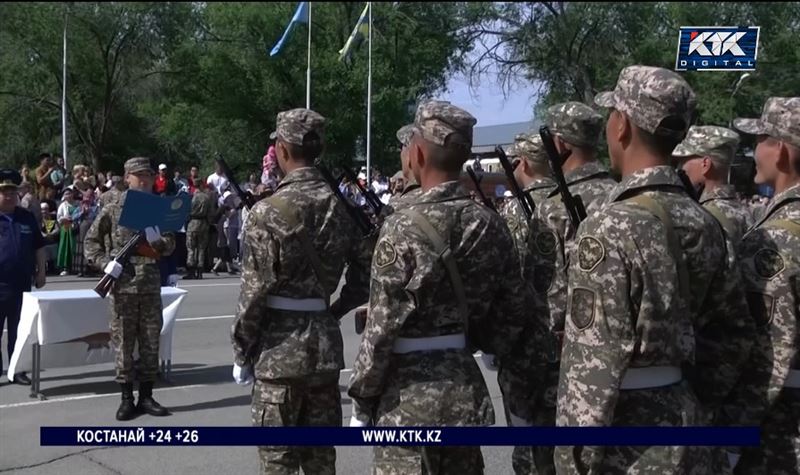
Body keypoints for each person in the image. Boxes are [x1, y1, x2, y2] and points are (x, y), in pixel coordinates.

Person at [555, 65, 753, 474]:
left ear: (622, 126)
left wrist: (573, 459)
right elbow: (734, 334)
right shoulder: (705, 222)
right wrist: (692, 397)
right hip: (690, 428)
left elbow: (591, 368)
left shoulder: (609, 226)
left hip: (628, 443)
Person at [348, 101, 540, 474]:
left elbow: (382, 327)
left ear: (418, 152)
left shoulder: (401, 227)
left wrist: (362, 396)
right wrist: (484, 343)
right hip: (463, 390)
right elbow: (514, 309)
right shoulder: (488, 222)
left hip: (406, 399)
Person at [232, 108, 372, 474]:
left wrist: (241, 349)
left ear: (281, 149)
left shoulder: (266, 212)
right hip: (323, 350)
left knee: (279, 462)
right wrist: (337, 307)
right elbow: (366, 268)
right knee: (321, 462)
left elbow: (254, 292)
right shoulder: (341, 207)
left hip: (278, 353)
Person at [716, 97, 800, 474]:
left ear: (780, 150)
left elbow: (768, 356)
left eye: (760, 141)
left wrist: (731, 434)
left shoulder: (774, 242)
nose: (754, 152)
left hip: (781, 428)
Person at [84, 157, 176, 420]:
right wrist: (106, 264)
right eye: (138, 175)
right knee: (123, 344)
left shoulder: (158, 209)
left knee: (150, 342)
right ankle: (126, 398)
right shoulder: (112, 209)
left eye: (147, 174)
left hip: (149, 286)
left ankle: (147, 396)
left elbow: (169, 246)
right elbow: (90, 241)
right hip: (122, 287)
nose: (144, 179)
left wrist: (158, 240)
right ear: (127, 178)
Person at [0, 170, 46, 385]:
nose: (8, 196)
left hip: (21, 283)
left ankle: (17, 370)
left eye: (11, 192)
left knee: (19, 330)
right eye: (3, 192)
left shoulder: (26, 217)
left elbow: (38, 246)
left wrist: (41, 272)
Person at [673, 125, 753, 243]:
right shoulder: (743, 213)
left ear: (705, 164)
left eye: (683, 161)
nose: (680, 168)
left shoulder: (704, 217)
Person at [184, 181, 214, 280]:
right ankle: (200, 271)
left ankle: (191, 270)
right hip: (203, 224)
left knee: (191, 248)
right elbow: (210, 213)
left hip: (193, 223)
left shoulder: (191, 197)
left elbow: (186, 212)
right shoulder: (207, 198)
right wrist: (209, 223)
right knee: (201, 248)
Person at [56, 189, 80, 276]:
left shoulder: (78, 204)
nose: (68, 195)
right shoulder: (63, 205)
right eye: (66, 194)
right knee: (66, 247)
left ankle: (76, 267)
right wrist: (65, 218)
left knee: (76, 247)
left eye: (69, 193)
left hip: (77, 228)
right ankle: (65, 268)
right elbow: (59, 218)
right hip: (66, 228)